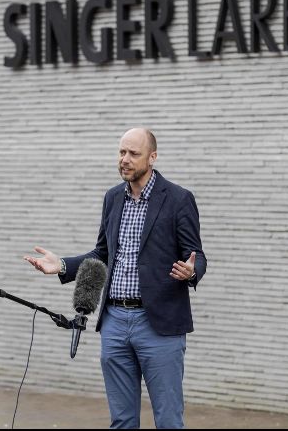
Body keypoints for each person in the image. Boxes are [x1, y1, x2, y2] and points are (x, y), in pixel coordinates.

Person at [25, 127, 207, 429]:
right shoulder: (112, 198)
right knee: (121, 421)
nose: (125, 159)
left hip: (159, 325)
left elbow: (196, 254)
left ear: (153, 157)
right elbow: (102, 253)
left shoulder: (178, 199)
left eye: (133, 153)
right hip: (114, 323)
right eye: (121, 152)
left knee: (169, 420)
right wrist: (61, 266)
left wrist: (192, 271)